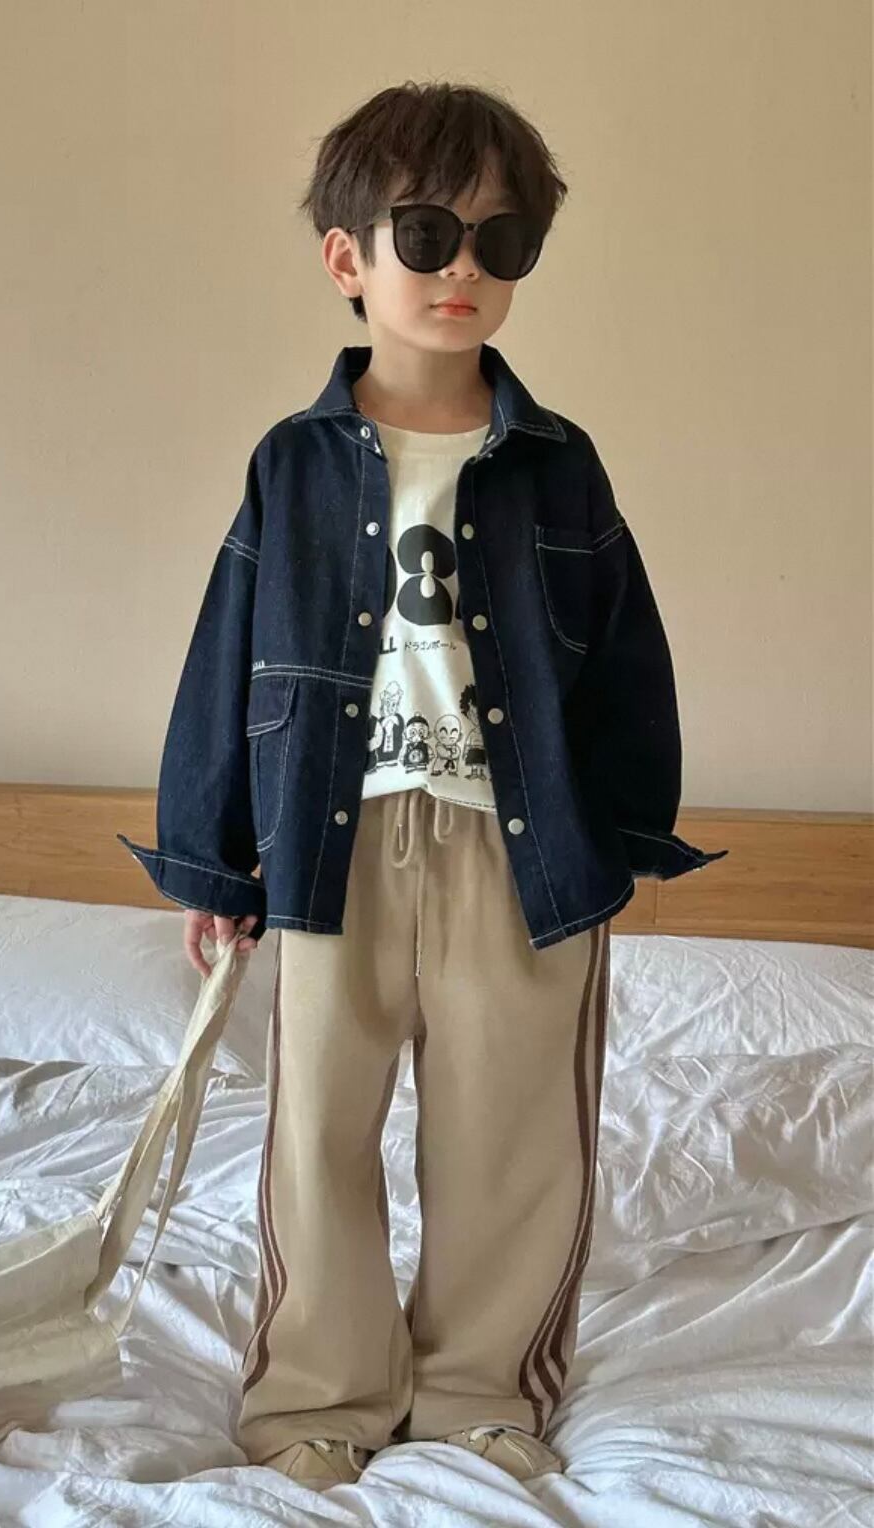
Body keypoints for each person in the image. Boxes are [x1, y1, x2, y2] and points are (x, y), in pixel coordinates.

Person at [119, 79, 727, 1493]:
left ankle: (476, 1396)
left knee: (513, 1138)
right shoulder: (291, 465)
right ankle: (316, 1399)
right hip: (333, 844)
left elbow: (625, 661)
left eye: (500, 243)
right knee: (315, 1132)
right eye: (428, 233)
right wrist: (214, 860)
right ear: (348, 256)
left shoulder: (560, 467)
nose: (464, 268)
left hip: (519, 852)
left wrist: (614, 842)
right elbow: (227, 660)